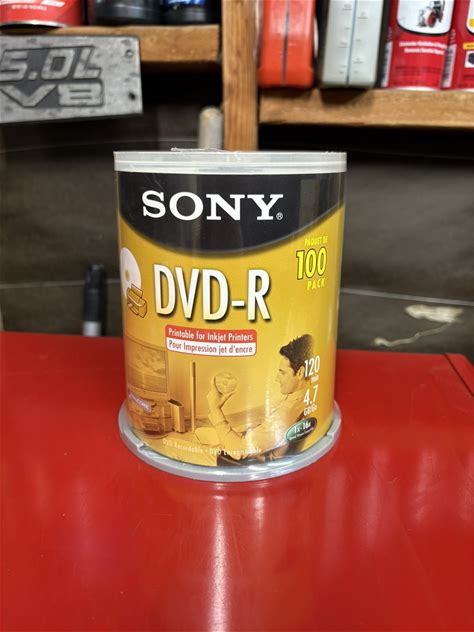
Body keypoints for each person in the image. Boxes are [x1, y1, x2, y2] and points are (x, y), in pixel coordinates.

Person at [207, 334, 313, 462]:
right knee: (202, 433)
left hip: (242, 458)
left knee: (194, 439)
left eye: (282, 372)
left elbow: (239, 450)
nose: (277, 378)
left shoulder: (287, 412)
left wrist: (215, 409)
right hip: (256, 444)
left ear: (300, 373)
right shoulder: (305, 397)